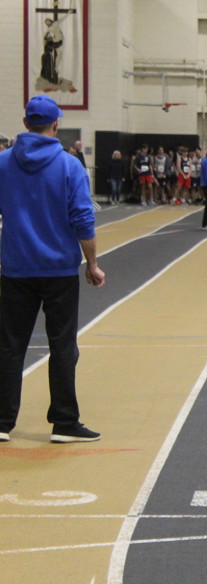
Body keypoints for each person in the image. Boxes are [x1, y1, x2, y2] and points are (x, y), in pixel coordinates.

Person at [0, 95, 106, 443]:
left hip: (16, 268)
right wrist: (92, 263)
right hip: (58, 270)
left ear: (25, 122)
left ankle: (2, 420)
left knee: (10, 345)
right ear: (56, 124)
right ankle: (64, 422)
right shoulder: (69, 166)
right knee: (62, 345)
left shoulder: (3, 163)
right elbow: (83, 219)